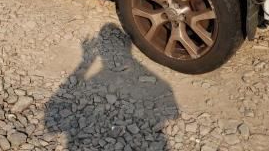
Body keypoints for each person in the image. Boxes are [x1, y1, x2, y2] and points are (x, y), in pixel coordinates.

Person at [44, 23, 179, 150]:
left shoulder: (94, 80)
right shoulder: (163, 85)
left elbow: (52, 118)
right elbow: (173, 115)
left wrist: (86, 62)